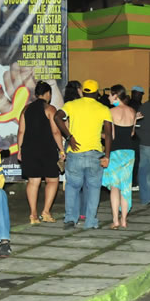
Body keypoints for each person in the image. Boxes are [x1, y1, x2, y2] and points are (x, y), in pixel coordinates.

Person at [54, 79, 113, 230]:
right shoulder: (103, 109)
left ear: (83, 91)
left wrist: (69, 137)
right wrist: (107, 156)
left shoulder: (71, 105)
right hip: (94, 154)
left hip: (75, 154)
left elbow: (57, 117)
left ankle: (70, 218)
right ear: (96, 93)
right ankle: (90, 221)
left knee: (72, 187)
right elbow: (108, 134)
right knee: (93, 188)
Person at [17, 81, 66, 225]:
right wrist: (61, 149)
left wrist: (19, 150)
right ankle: (45, 212)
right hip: (47, 149)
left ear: (36, 94)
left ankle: (33, 215)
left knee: (33, 181)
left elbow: (21, 131)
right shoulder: (50, 108)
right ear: (48, 94)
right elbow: (56, 132)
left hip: (29, 149)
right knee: (52, 180)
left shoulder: (26, 109)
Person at [102, 85, 139, 229]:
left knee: (115, 187)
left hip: (115, 152)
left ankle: (115, 220)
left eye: (110, 95)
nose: (108, 98)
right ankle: (124, 220)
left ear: (116, 95)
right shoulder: (132, 111)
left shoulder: (110, 112)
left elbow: (111, 136)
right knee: (125, 186)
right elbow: (132, 133)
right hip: (129, 152)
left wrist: (99, 134)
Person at [62, 80, 87, 222]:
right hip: (84, 141)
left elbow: (64, 125)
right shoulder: (82, 105)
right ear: (78, 89)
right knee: (85, 180)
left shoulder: (67, 106)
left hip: (70, 142)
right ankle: (83, 212)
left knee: (73, 181)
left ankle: (73, 213)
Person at [129, 86, 144, 190]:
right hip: (135, 136)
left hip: (130, 136)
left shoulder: (127, 104)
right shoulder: (137, 106)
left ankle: (131, 182)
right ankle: (133, 183)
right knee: (135, 160)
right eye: (138, 94)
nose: (139, 96)